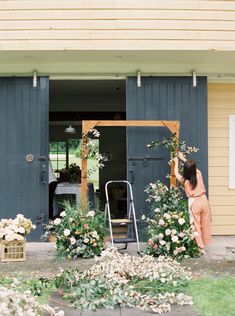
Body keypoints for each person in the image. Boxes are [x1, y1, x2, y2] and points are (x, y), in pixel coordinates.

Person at [174, 152, 212, 254]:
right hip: (204, 200)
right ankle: (205, 242)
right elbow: (191, 167)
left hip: (194, 203)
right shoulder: (199, 174)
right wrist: (183, 158)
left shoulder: (185, 181)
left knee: (196, 225)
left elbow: (176, 174)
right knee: (205, 223)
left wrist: (176, 161)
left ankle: (201, 247)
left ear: (185, 171)